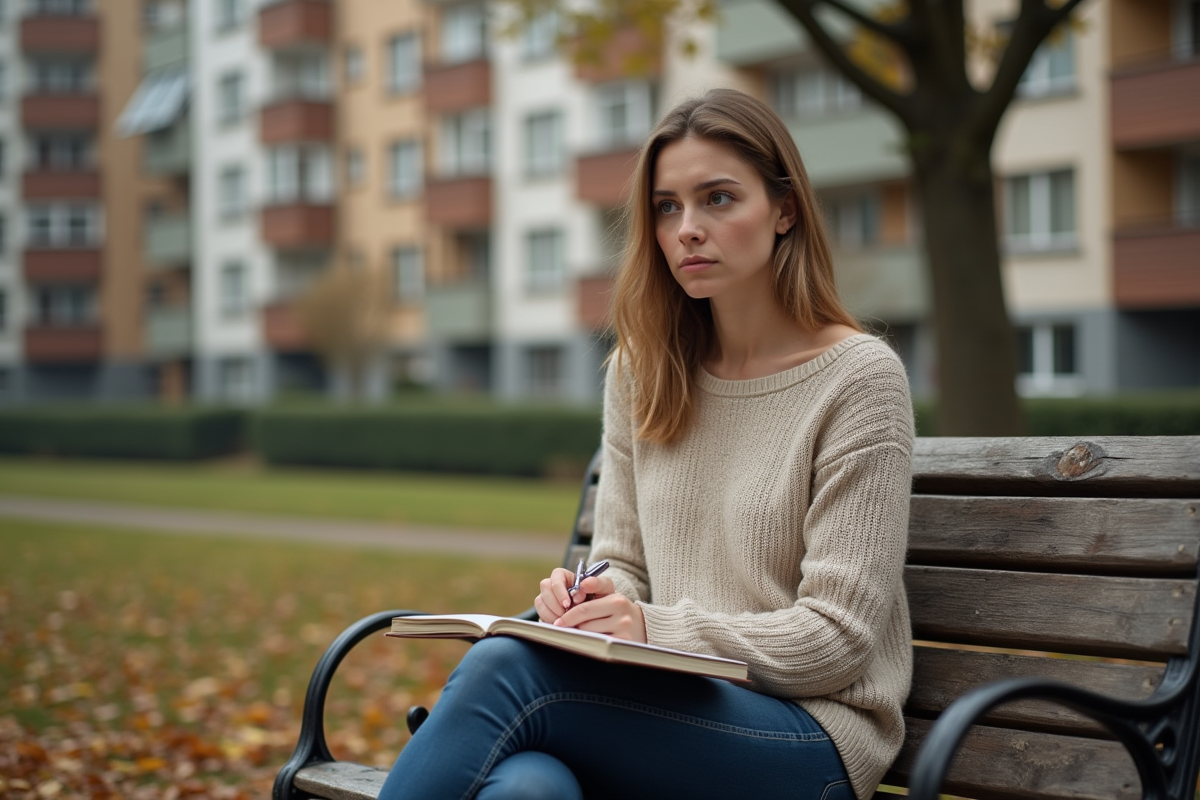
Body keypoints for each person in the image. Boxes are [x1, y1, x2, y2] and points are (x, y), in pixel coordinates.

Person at [378, 87, 914, 800]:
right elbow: (624, 561)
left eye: (718, 198)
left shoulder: (858, 378)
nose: (688, 228)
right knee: (527, 791)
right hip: (662, 709)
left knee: (508, 667)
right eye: (668, 207)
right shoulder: (644, 369)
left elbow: (836, 639)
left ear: (785, 210)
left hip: (808, 739)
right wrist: (595, 601)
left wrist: (649, 628)